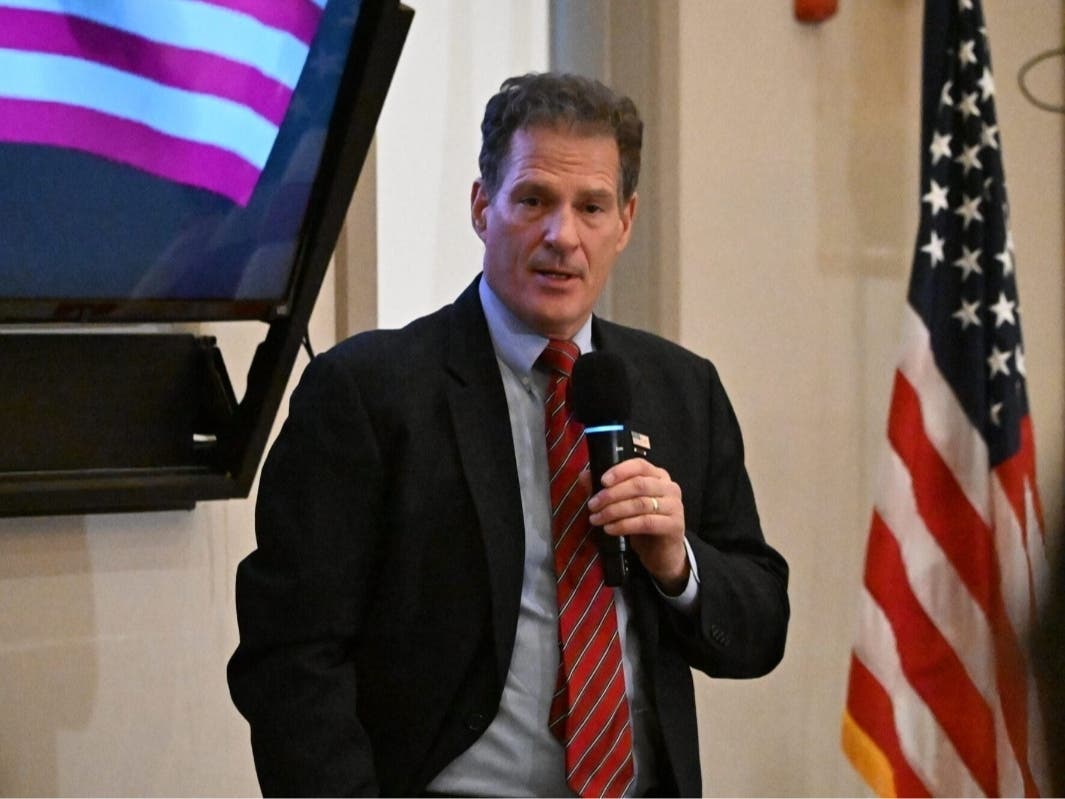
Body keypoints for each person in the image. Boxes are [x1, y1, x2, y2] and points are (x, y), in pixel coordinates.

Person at [228, 72, 789, 797]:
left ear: (624, 221)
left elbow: (759, 627)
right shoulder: (367, 392)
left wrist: (676, 563)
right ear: (480, 207)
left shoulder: (681, 388)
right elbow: (291, 656)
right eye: (532, 200)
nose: (562, 235)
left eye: (591, 207)